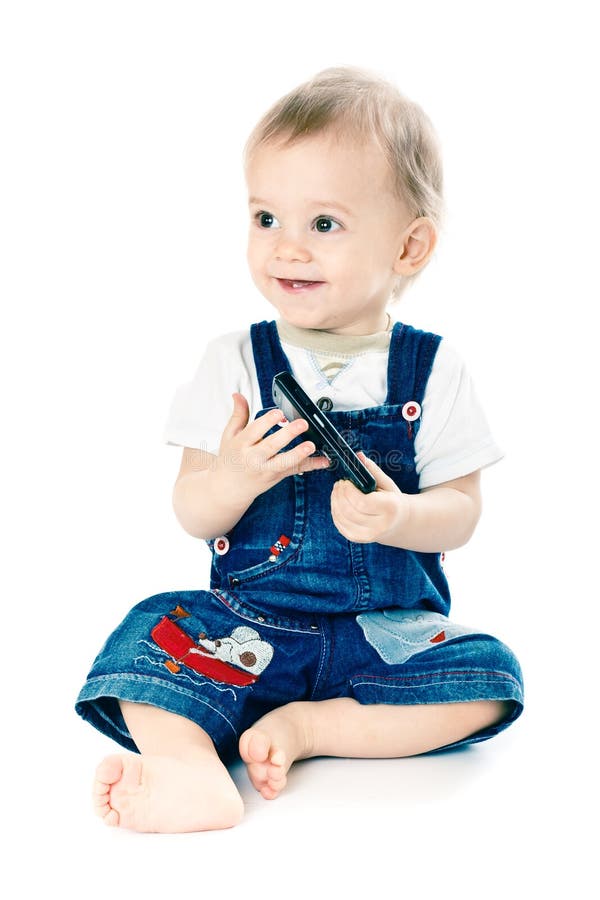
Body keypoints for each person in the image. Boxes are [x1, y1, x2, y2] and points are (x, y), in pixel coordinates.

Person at [75, 66, 524, 833]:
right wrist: (236, 476)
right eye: (264, 218)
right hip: (247, 631)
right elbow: (191, 508)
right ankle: (189, 772)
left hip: (385, 633)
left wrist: (400, 516)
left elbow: (462, 513)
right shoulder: (234, 361)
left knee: (491, 676)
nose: (287, 248)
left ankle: (313, 730)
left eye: (323, 225)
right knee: (147, 636)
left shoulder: (433, 369)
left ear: (410, 246)